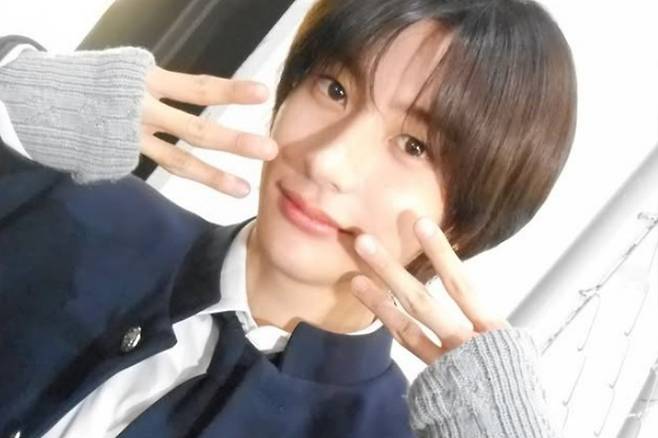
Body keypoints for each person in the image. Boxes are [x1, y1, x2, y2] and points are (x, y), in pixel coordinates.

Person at [0, 0, 576, 436]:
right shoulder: (70, 209)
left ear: (467, 224)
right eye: (335, 89)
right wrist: (9, 79)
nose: (328, 161)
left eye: (414, 146)